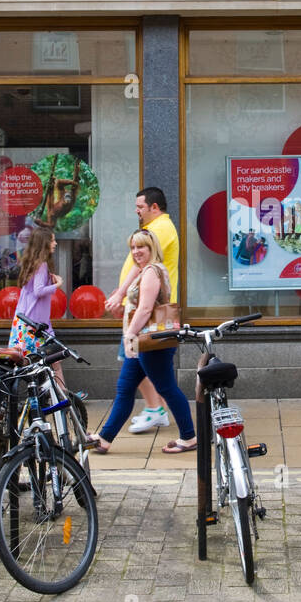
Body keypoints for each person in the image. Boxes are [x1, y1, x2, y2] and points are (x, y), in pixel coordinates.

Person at [91, 228, 195, 454]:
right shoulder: (144, 270)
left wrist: (130, 335)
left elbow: (146, 308)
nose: (136, 251)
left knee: (166, 388)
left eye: (141, 247)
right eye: (133, 247)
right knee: (125, 388)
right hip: (144, 341)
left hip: (150, 341)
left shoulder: (151, 271)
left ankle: (189, 437)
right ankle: (104, 438)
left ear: (152, 248)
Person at [105, 187, 180, 434]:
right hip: (139, 308)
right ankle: (159, 412)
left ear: (154, 207)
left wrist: (120, 294)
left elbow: (142, 267)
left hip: (146, 311)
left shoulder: (160, 228)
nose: (137, 211)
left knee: (138, 363)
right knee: (140, 368)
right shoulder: (159, 227)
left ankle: (156, 410)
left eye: (140, 207)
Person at [7, 226, 66, 385]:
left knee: (27, 366)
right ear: (44, 243)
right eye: (52, 240)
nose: (55, 243)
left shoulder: (32, 263)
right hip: (36, 326)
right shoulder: (42, 265)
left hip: (25, 323)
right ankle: (63, 400)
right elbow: (39, 291)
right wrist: (58, 285)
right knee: (55, 363)